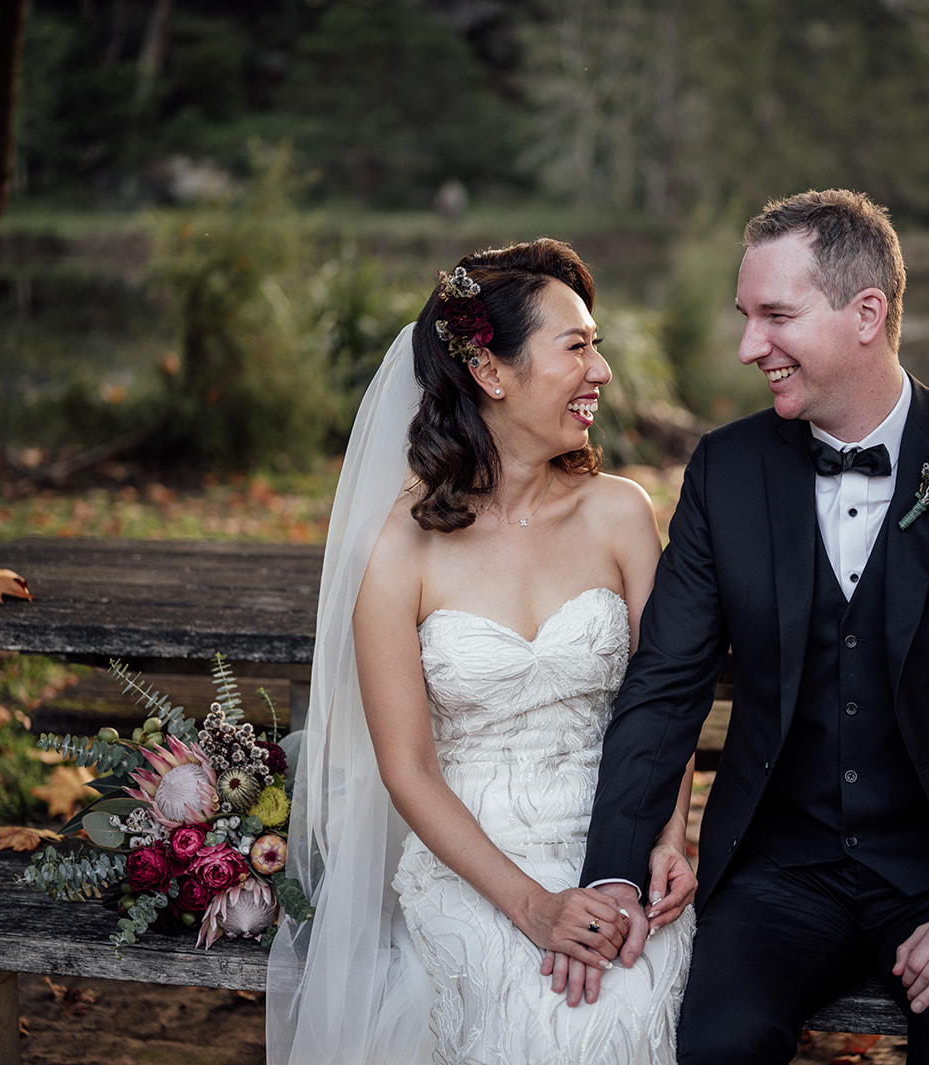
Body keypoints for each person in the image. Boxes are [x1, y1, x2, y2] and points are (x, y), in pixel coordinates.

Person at [577, 190, 929, 1064]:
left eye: (776, 316)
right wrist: (616, 873)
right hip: (780, 871)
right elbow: (665, 685)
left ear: (867, 313)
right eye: (745, 318)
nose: (749, 348)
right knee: (714, 1044)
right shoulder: (726, 469)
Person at [266, 239, 696, 1065]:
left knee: (621, 1004)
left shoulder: (621, 514)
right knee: (543, 1024)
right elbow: (411, 772)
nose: (601, 371)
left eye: (597, 345)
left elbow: (665, 699)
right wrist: (533, 906)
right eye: (577, 347)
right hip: (473, 865)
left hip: (617, 837)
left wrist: (664, 840)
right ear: (492, 372)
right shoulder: (398, 550)